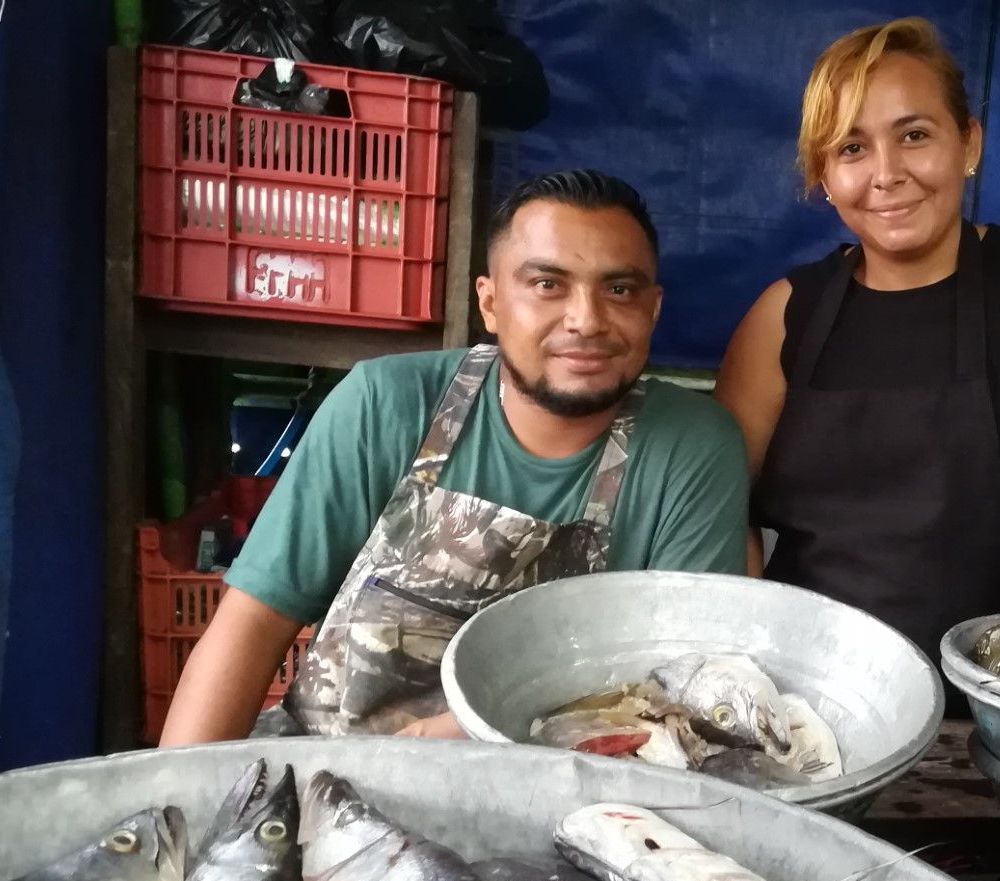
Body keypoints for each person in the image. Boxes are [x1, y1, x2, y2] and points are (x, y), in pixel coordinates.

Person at [161, 170, 750, 745]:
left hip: (554, 786)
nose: (586, 320)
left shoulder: (693, 448)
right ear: (490, 303)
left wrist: (466, 731)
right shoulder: (385, 404)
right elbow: (254, 622)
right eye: (548, 285)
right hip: (331, 764)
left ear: (653, 308)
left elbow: (674, 684)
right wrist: (177, 801)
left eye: (618, 290)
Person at [715, 17, 1000, 664]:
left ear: (969, 144)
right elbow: (725, 509)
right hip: (812, 698)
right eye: (850, 148)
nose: (886, 173)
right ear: (822, 173)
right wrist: (754, 662)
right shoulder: (782, 317)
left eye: (914, 135)